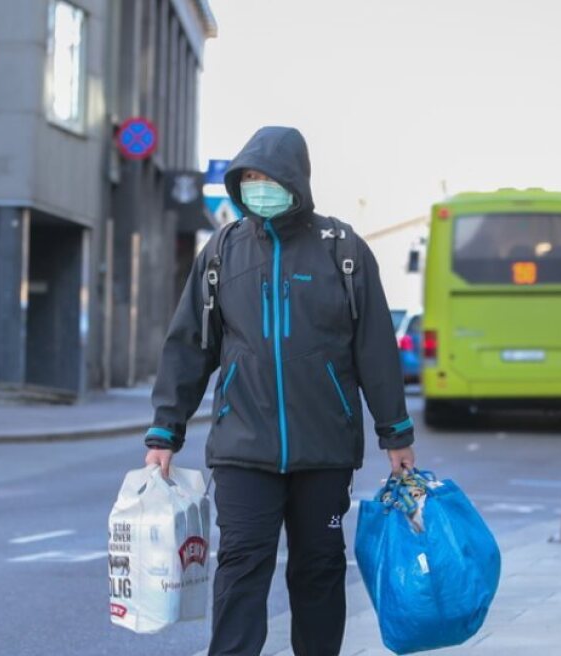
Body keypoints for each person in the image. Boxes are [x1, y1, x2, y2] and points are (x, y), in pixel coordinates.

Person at [143, 126, 416, 655]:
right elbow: (189, 346)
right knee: (242, 565)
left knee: (319, 568)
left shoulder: (343, 251)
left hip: (325, 449)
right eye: (247, 177)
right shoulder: (222, 252)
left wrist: (395, 432)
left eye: (266, 176)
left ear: (295, 179)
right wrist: (165, 430)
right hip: (244, 448)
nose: (257, 186)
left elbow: (376, 347)